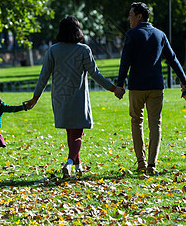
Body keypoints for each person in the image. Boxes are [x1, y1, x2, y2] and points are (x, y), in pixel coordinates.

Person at [25, 16, 125, 179]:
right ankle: (70, 163)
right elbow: (95, 75)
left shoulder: (53, 50)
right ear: (78, 30)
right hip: (77, 97)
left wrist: (35, 98)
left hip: (59, 98)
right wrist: (114, 89)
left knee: (70, 132)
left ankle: (78, 166)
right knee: (77, 133)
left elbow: (44, 76)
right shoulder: (84, 50)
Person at [117, 2, 186, 174]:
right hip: (156, 86)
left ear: (139, 16)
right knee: (155, 124)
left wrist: (120, 84)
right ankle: (152, 164)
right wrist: (183, 80)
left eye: (131, 14)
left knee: (136, 122)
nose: (129, 18)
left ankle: (141, 163)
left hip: (137, 86)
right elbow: (172, 58)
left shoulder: (132, 34)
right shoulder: (160, 34)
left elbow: (125, 61)